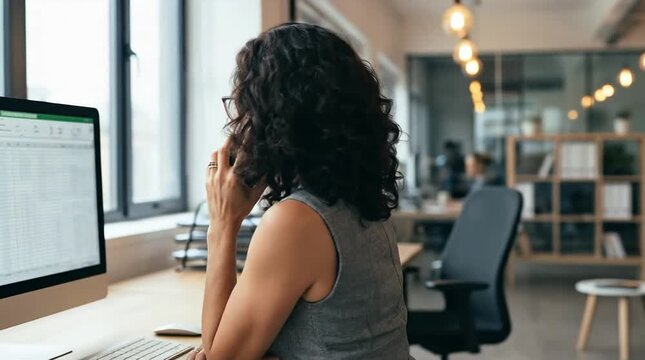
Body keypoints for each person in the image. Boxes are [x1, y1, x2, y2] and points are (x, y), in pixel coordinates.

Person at [188, 23, 410, 360]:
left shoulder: (296, 221)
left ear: (273, 118)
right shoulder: (360, 204)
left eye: (247, 107)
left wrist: (222, 225)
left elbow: (219, 357)